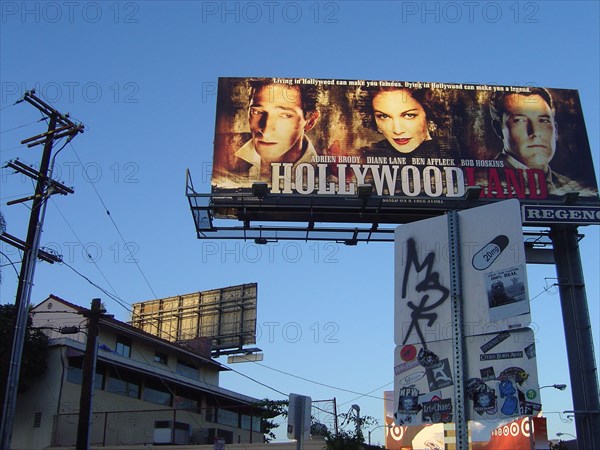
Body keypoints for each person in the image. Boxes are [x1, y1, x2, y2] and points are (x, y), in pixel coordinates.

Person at [489, 88, 598, 197]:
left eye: (544, 121)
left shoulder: (579, 190)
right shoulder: (482, 181)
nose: (535, 132)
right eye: (519, 120)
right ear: (498, 129)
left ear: (555, 130)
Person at [227, 79, 321, 186]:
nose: (266, 132)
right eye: (258, 112)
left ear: (310, 121)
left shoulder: (330, 180)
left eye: (285, 115)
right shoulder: (223, 155)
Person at [355, 86, 448, 158]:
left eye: (409, 115)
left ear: (429, 116)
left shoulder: (454, 156)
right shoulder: (362, 158)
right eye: (384, 116)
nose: (398, 130)